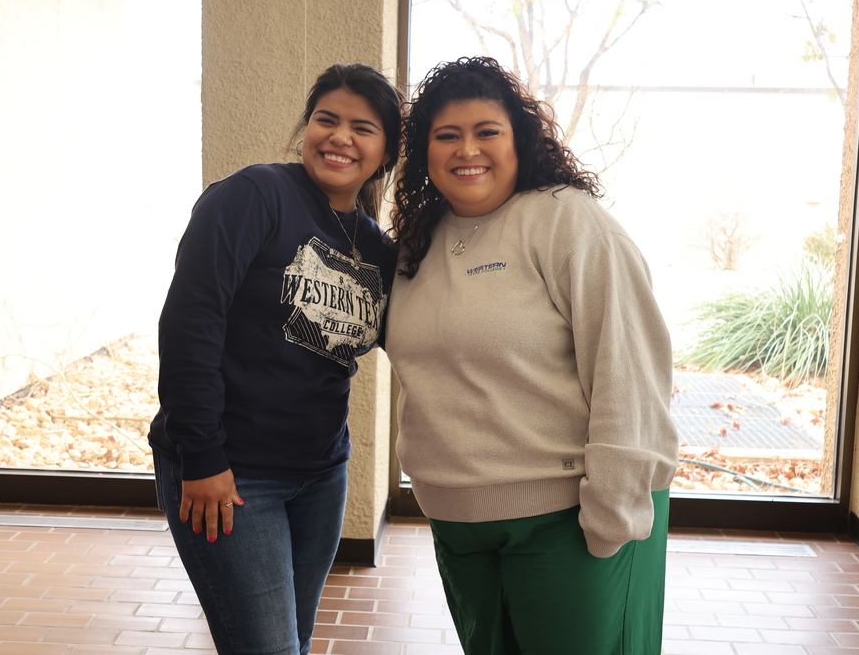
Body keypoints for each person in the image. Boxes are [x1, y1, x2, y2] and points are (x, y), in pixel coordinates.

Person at [385, 56, 678, 654]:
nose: (468, 150)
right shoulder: (419, 240)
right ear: (425, 153)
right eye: (447, 135)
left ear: (520, 139)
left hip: (568, 523)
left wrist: (611, 516)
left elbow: (629, 368)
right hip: (458, 524)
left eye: (486, 131)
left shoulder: (567, 220)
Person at [149, 63, 403, 655]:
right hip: (232, 474)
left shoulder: (375, 248)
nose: (340, 137)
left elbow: (424, 342)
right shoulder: (255, 196)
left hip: (321, 475)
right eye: (326, 119)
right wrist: (202, 456)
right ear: (306, 127)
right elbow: (190, 325)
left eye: (362, 128)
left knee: (293, 639)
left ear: (385, 153)